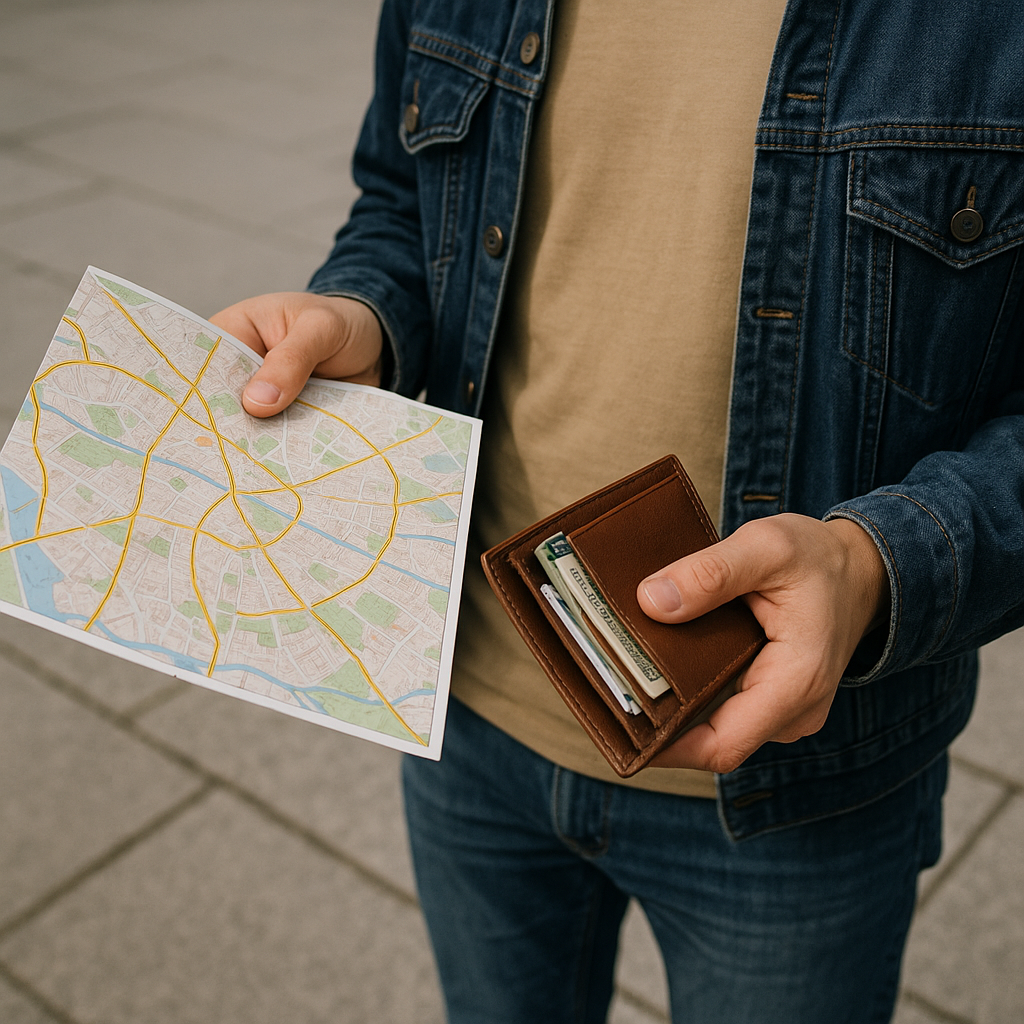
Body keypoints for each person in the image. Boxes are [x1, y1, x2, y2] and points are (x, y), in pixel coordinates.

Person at [211, 1, 1024, 1021]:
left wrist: (875, 563)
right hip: (468, 706)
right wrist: (363, 313)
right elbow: (400, 198)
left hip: (797, 786)